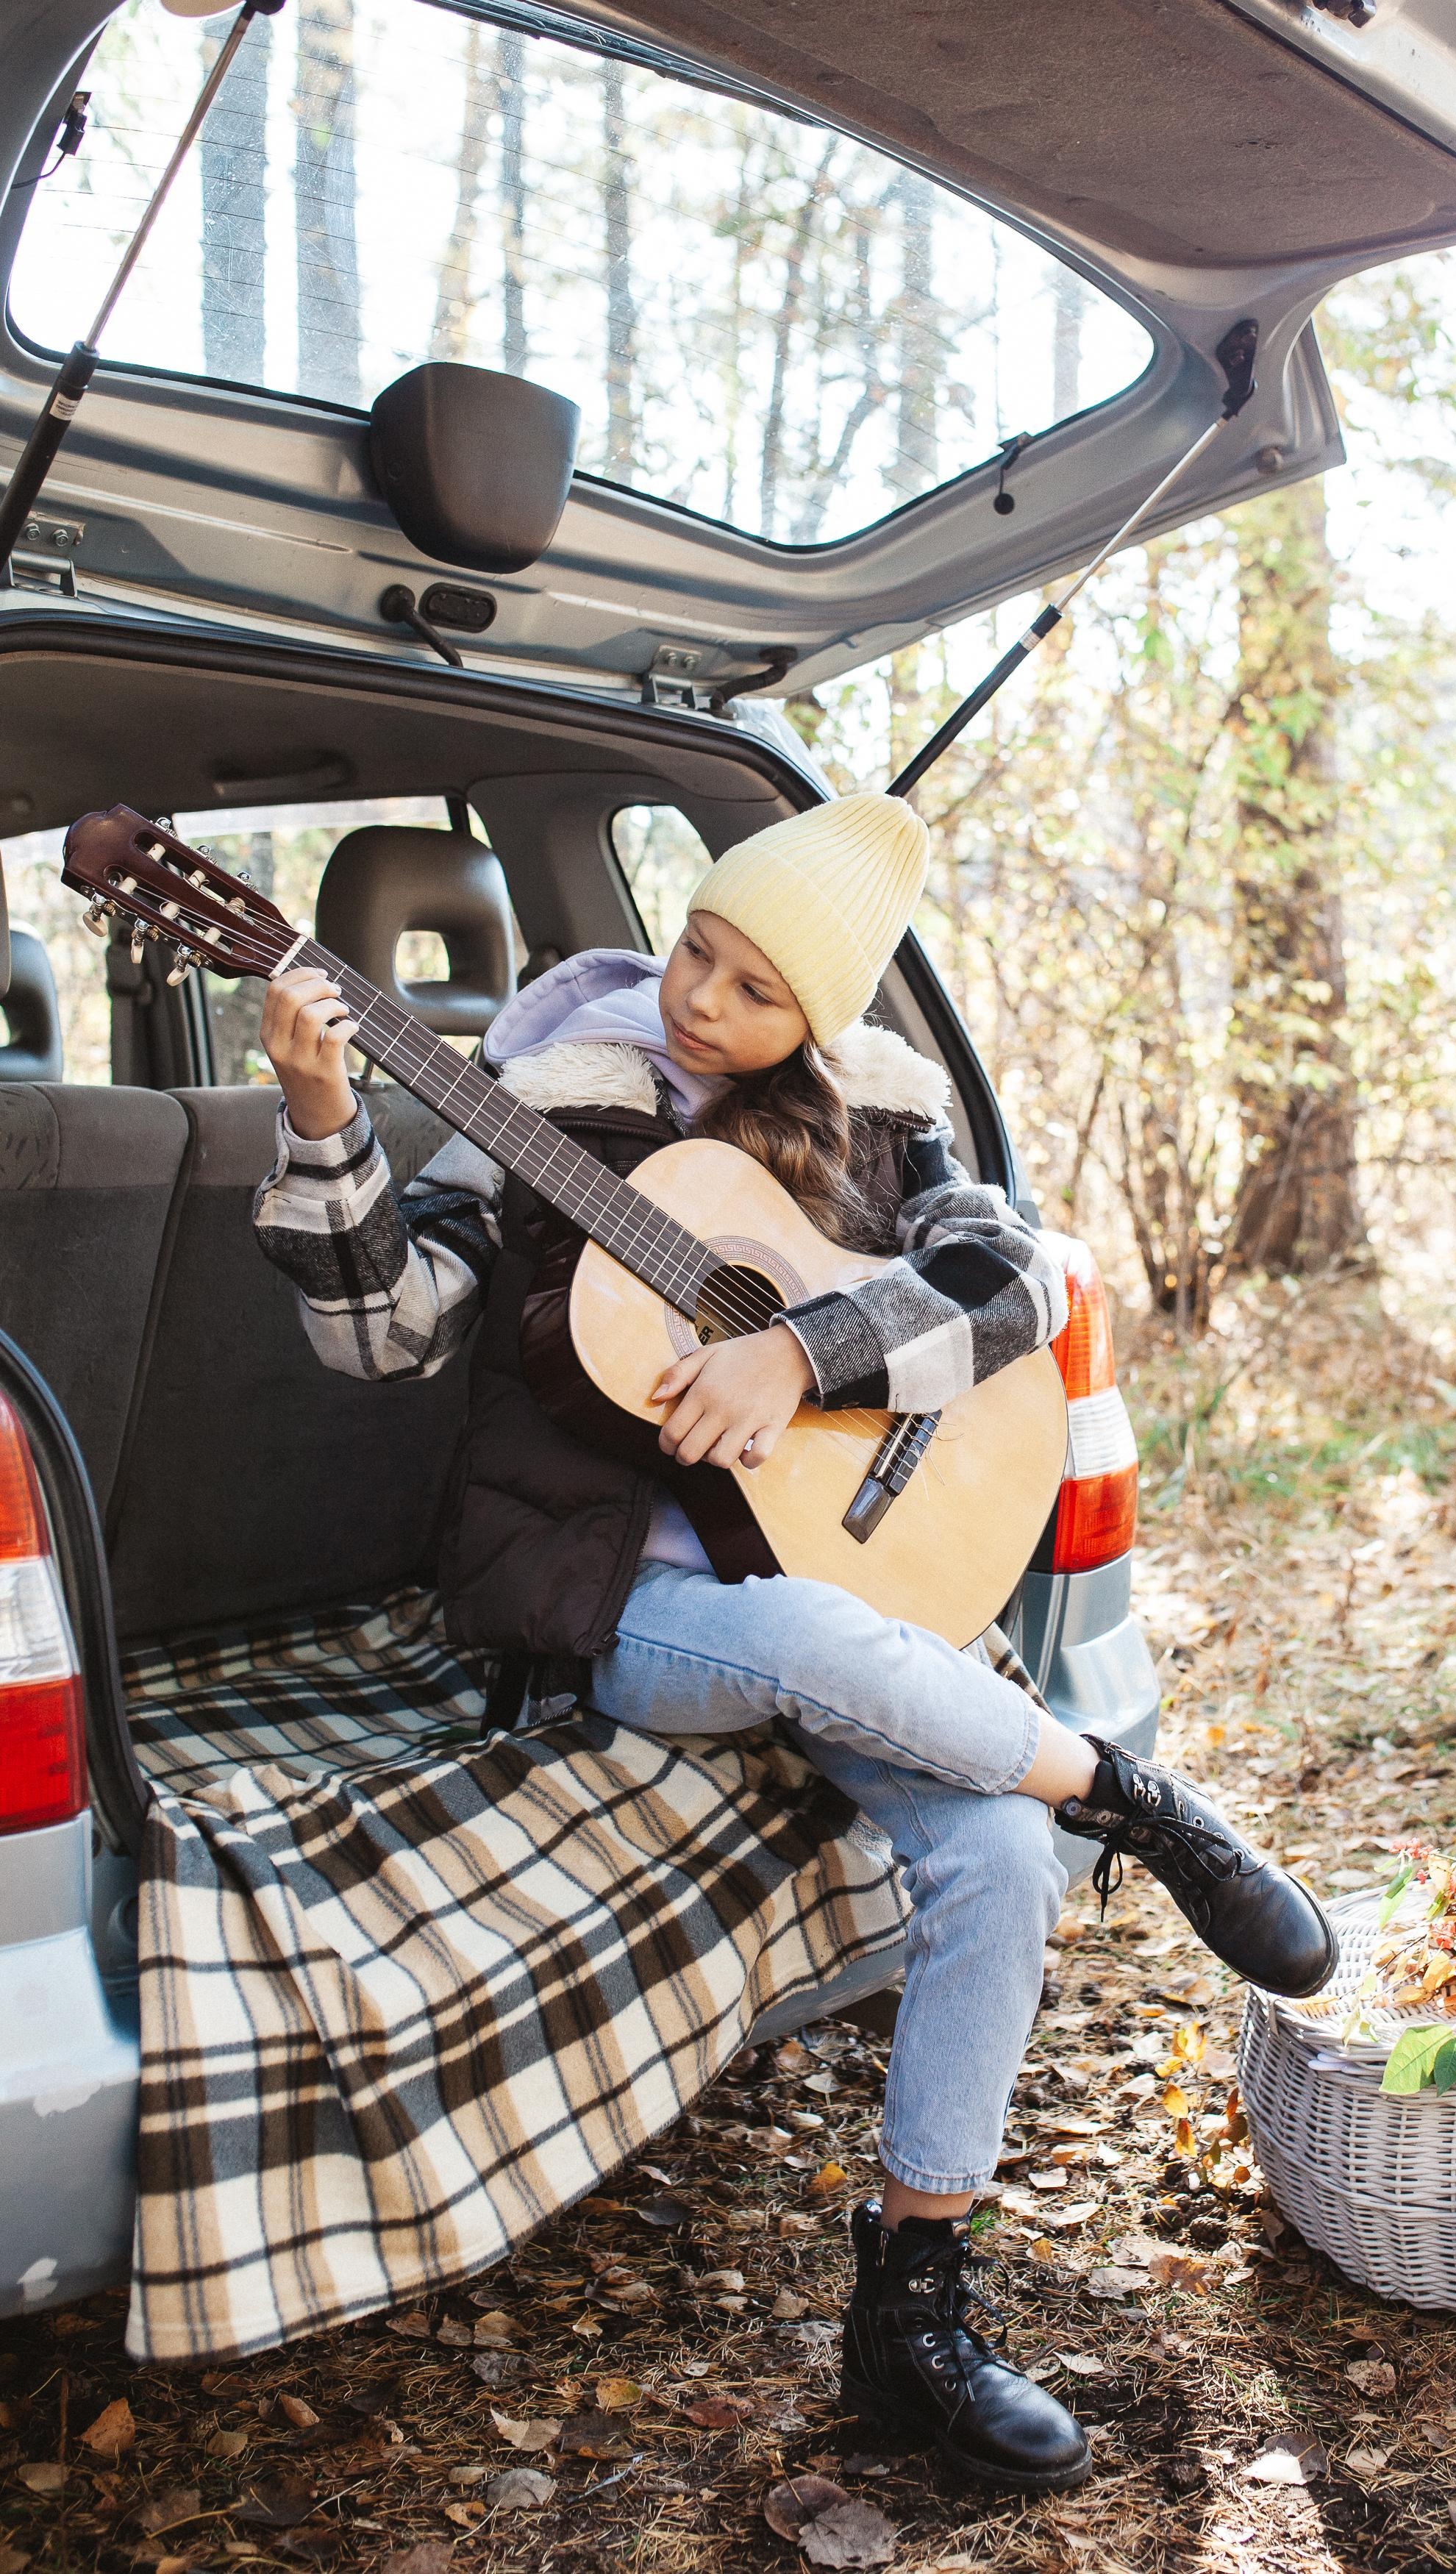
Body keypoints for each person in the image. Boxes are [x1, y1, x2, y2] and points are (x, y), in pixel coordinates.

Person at [253, 793, 1333, 2495]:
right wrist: (326, 1120)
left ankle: (914, 2309)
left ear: (816, 1026)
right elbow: (381, 1333)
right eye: (694, 947)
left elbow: (1004, 1295)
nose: (698, 999)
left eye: (754, 988)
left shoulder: (889, 1123)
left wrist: (806, 1352)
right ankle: (1136, 1796)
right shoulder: (548, 1090)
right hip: (617, 1599)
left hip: (839, 1570)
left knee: (994, 1849)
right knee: (834, 1643)